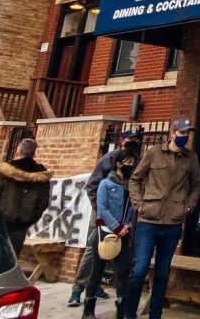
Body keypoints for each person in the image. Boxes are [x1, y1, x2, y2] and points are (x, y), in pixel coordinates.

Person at [121, 117, 200, 319]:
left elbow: (196, 185)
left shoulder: (190, 158)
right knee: (139, 270)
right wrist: (139, 204)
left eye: (188, 134)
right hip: (148, 220)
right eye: (182, 133)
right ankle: (128, 313)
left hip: (173, 223)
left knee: (162, 273)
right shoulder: (153, 153)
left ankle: (154, 314)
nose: (185, 137)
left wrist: (188, 206)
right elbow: (135, 180)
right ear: (172, 133)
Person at [69, 129, 142, 307]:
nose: (133, 142)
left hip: (123, 214)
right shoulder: (110, 158)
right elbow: (92, 185)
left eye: (135, 139)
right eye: (129, 139)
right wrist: (99, 209)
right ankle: (78, 289)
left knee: (115, 249)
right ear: (121, 140)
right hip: (104, 211)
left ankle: (96, 286)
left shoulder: (136, 161)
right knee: (95, 248)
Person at [83, 150, 136, 319]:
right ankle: (88, 308)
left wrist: (126, 225)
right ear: (119, 164)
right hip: (105, 232)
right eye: (127, 162)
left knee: (122, 271)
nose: (130, 166)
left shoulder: (130, 186)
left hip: (123, 233)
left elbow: (131, 208)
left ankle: (121, 307)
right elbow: (102, 208)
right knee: (96, 271)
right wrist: (116, 227)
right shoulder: (105, 184)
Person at [0, 138, 53, 255]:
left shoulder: (4, 171)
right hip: (21, 225)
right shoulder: (41, 176)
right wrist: (30, 219)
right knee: (12, 258)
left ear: (18, 151)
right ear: (34, 153)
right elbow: (43, 203)